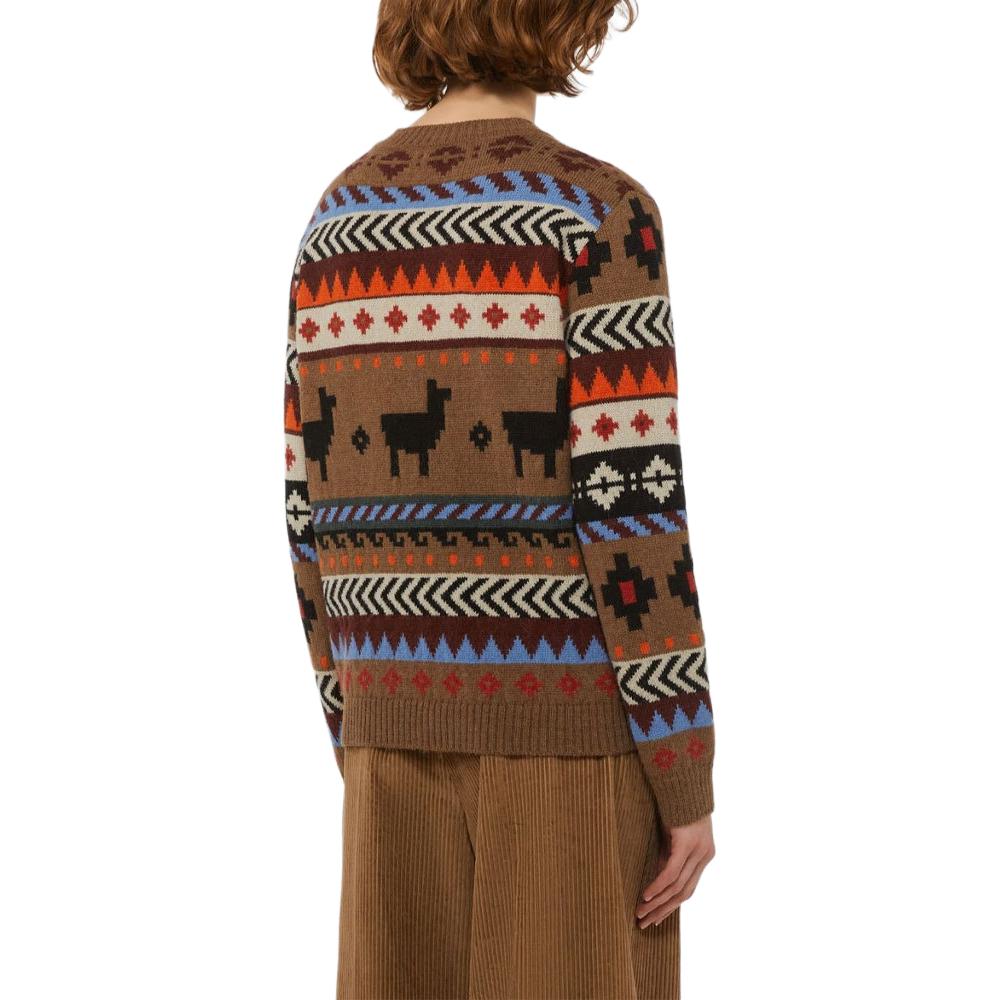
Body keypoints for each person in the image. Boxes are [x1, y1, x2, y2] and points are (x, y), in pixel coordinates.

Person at [283, 2, 716, 996]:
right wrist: (683, 766)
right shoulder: (594, 211)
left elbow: (304, 496)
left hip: (388, 724)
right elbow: (632, 507)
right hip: (568, 731)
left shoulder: (335, 221)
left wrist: (353, 712)